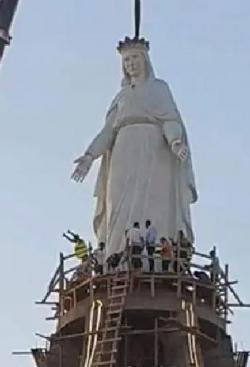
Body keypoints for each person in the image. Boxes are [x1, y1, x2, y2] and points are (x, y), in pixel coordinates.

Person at [70, 36, 198, 262]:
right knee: (118, 202)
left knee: (154, 202)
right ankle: (117, 255)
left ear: (145, 60)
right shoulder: (121, 97)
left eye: (135, 58)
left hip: (154, 150)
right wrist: (90, 156)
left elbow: (170, 119)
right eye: (127, 60)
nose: (131, 63)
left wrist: (176, 142)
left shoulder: (159, 88)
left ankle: (157, 258)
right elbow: (108, 131)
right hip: (122, 151)